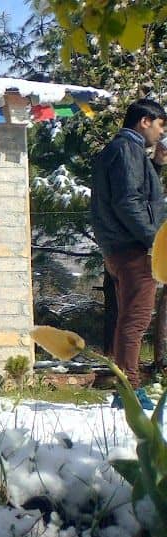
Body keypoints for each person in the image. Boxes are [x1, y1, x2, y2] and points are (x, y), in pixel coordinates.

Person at [91, 98, 167, 409]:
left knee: (129, 319)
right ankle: (129, 389)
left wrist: (157, 165)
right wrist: (154, 241)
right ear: (144, 121)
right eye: (161, 125)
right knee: (135, 321)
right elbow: (128, 202)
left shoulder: (127, 151)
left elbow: (137, 195)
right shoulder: (126, 150)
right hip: (133, 249)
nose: (161, 134)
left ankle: (127, 387)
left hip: (121, 246)